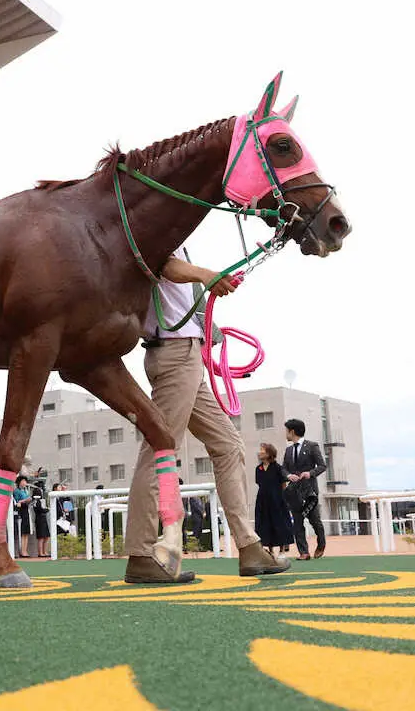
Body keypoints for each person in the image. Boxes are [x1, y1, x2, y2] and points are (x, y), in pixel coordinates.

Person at [124, 247, 289, 583]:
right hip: (172, 353)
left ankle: (249, 546)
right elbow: (164, 264)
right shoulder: (162, 220)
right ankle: (141, 554)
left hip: (186, 354)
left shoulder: (180, 232)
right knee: (159, 451)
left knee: (229, 445)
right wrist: (207, 276)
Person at [281, 419, 327, 560]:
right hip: (294, 492)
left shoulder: (312, 446)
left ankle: (321, 544)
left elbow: (322, 466)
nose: (285, 433)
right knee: (297, 522)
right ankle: (304, 552)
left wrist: (310, 473)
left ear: (292, 431)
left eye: (286, 430)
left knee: (315, 521)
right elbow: (283, 468)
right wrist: (288, 475)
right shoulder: (288, 450)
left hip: (309, 492)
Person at [255, 443, 295, 557]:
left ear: (269, 453)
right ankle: (270, 551)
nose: (260, 452)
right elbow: (259, 483)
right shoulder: (258, 469)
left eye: (262, 450)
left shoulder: (277, 467)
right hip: (263, 500)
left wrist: (283, 498)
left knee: (280, 523)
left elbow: (283, 483)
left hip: (277, 499)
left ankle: (282, 550)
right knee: (264, 524)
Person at [13, 476, 33, 559]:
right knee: (22, 532)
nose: (25, 483)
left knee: (26, 532)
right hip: (21, 511)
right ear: (19, 482)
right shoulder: (17, 491)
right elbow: (17, 502)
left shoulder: (26, 490)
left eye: (25, 481)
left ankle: (25, 550)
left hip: (26, 510)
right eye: (23, 481)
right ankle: (21, 551)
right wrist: (25, 500)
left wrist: (28, 500)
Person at [32, 482, 51, 557]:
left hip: (43, 519)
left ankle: (45, 551)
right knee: (41, 537)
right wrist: (46, 510)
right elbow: (39, 510)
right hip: (39, 519)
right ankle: (41, 553)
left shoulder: (40, 501)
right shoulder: (36, 501)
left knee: (46, 536)